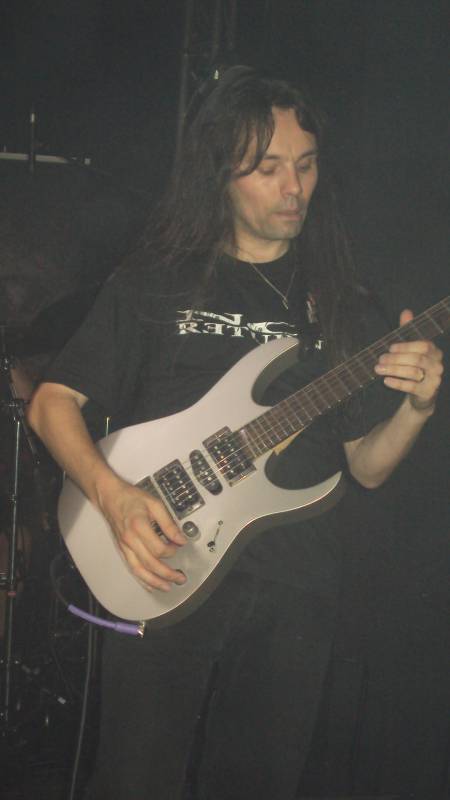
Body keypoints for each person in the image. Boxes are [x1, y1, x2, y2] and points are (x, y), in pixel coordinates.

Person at [26, 67, 443, 800]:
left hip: (296, 590)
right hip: (161, 563)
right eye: (269, 168)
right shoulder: (159, 280)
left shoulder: (342, 304)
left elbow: (367, 469)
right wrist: (115, 498)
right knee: (135, 782)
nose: (294, 187)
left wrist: (416, 408)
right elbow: (51, 403)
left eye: (306, 165)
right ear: (221, 173)